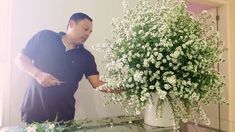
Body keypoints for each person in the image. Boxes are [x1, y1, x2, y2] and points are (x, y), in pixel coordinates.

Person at [15, 12, 121, 124]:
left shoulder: (86, 56)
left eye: (90, 32)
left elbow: (97, 83)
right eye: (85, 29)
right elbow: (20, 59)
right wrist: (38, 75)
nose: (87, 34)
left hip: (63, 116)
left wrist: (129, 86)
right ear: (71, 24)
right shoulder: (45, 36)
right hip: (34, 111)